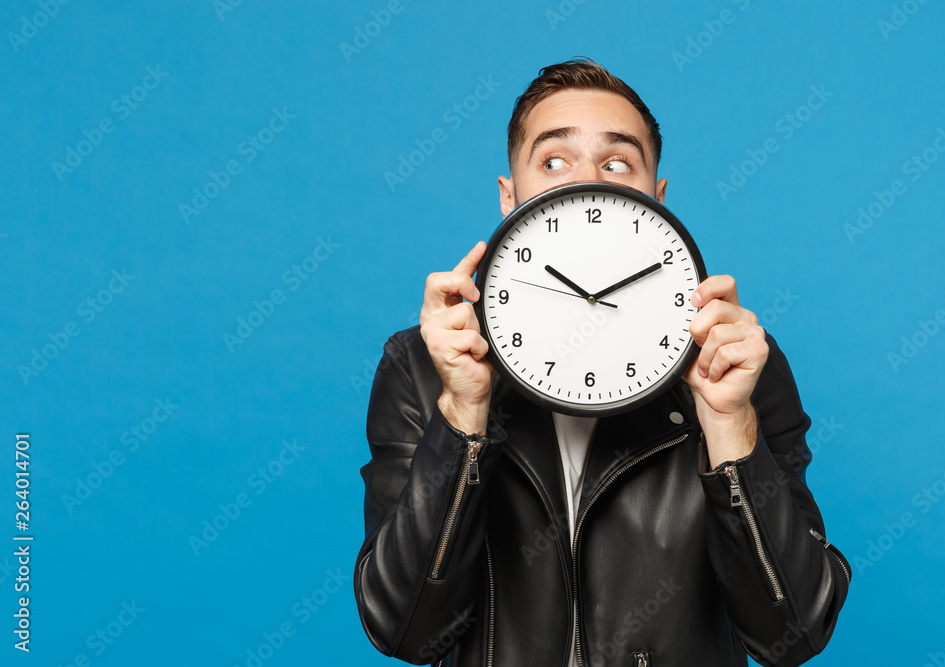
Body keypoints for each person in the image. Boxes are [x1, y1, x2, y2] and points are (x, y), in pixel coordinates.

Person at [354, 58, 850, 666]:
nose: (588, 182)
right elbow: (406, 631)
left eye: (617, 163)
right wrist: (463, 413)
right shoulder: (422, 366)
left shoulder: (738, 366)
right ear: (510, 197)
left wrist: (728, 426)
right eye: (553, 162)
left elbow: (793, 634)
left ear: (656, 199)